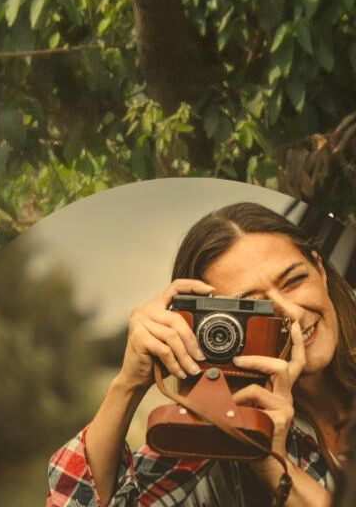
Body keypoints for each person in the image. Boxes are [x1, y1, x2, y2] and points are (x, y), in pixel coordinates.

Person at [48, 202, 353, 506]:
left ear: (320, 269)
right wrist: (129, 384)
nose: (292, 313)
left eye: (294, 280)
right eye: (253, 307)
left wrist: (278, 469)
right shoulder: (226, 424)